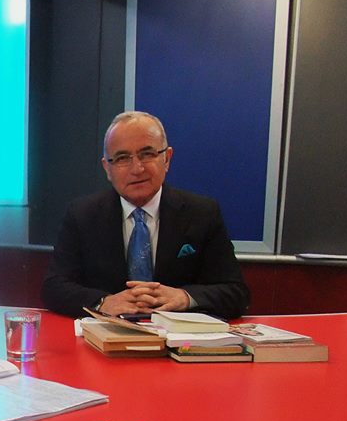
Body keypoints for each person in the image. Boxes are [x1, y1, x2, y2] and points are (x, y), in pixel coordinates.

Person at [42, 111, 249, 319]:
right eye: (122, 158)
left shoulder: (202, 213)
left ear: (167, 159)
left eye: (147, 154)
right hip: (108, 333)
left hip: (175, 334)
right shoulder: (82, 215)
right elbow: (54, 287)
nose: (137, 169)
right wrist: (103, 302)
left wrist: (185, 297)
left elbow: (236, 292)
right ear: (107, 168)